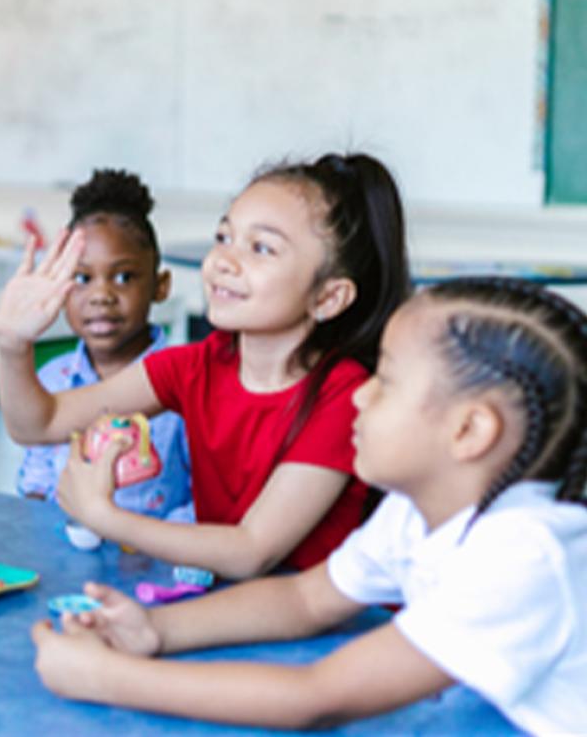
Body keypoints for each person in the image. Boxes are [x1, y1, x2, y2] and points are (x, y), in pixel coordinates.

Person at [31, 277, 587, 733]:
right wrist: (155, 629)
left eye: (387, 381)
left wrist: (104, 678)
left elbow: (316, 697)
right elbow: (306, 599)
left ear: (469, 430)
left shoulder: (525, 554)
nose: (362, 393)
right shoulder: (413, 513)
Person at [0, 154, 410, 578]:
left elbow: (252, 549)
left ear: (328, 298)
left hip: (312, 632)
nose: (224, 261)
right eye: (224, 236)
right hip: (223, 604)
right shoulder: (198, 365)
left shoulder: (345, 396)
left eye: (261, 248)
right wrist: (12, 343)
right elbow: (39, 424)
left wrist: (106, 518)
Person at [15, 169, 191, 526]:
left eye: (124, 277)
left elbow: (206, 503)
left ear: (161, 286)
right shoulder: (52, 380)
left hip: (154, 569)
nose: (101, 296)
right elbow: (34, 483)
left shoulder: (188, 385)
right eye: (82, 278)